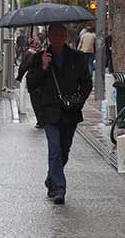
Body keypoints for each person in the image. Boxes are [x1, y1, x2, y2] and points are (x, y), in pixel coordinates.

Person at [26, 23, 93, 205]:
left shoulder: (77, 57)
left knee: (64, 151)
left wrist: (80, 100)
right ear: (48, 36)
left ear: (65, 36)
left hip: (71, 111)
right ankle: (59, 189)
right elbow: (31, 84)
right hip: (49, 111)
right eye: (53, 35)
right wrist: (44, 68)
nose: (56, 38)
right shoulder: (40, 58)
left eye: (60, 35)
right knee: (54, 149)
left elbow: (87, 82)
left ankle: (51, 179)